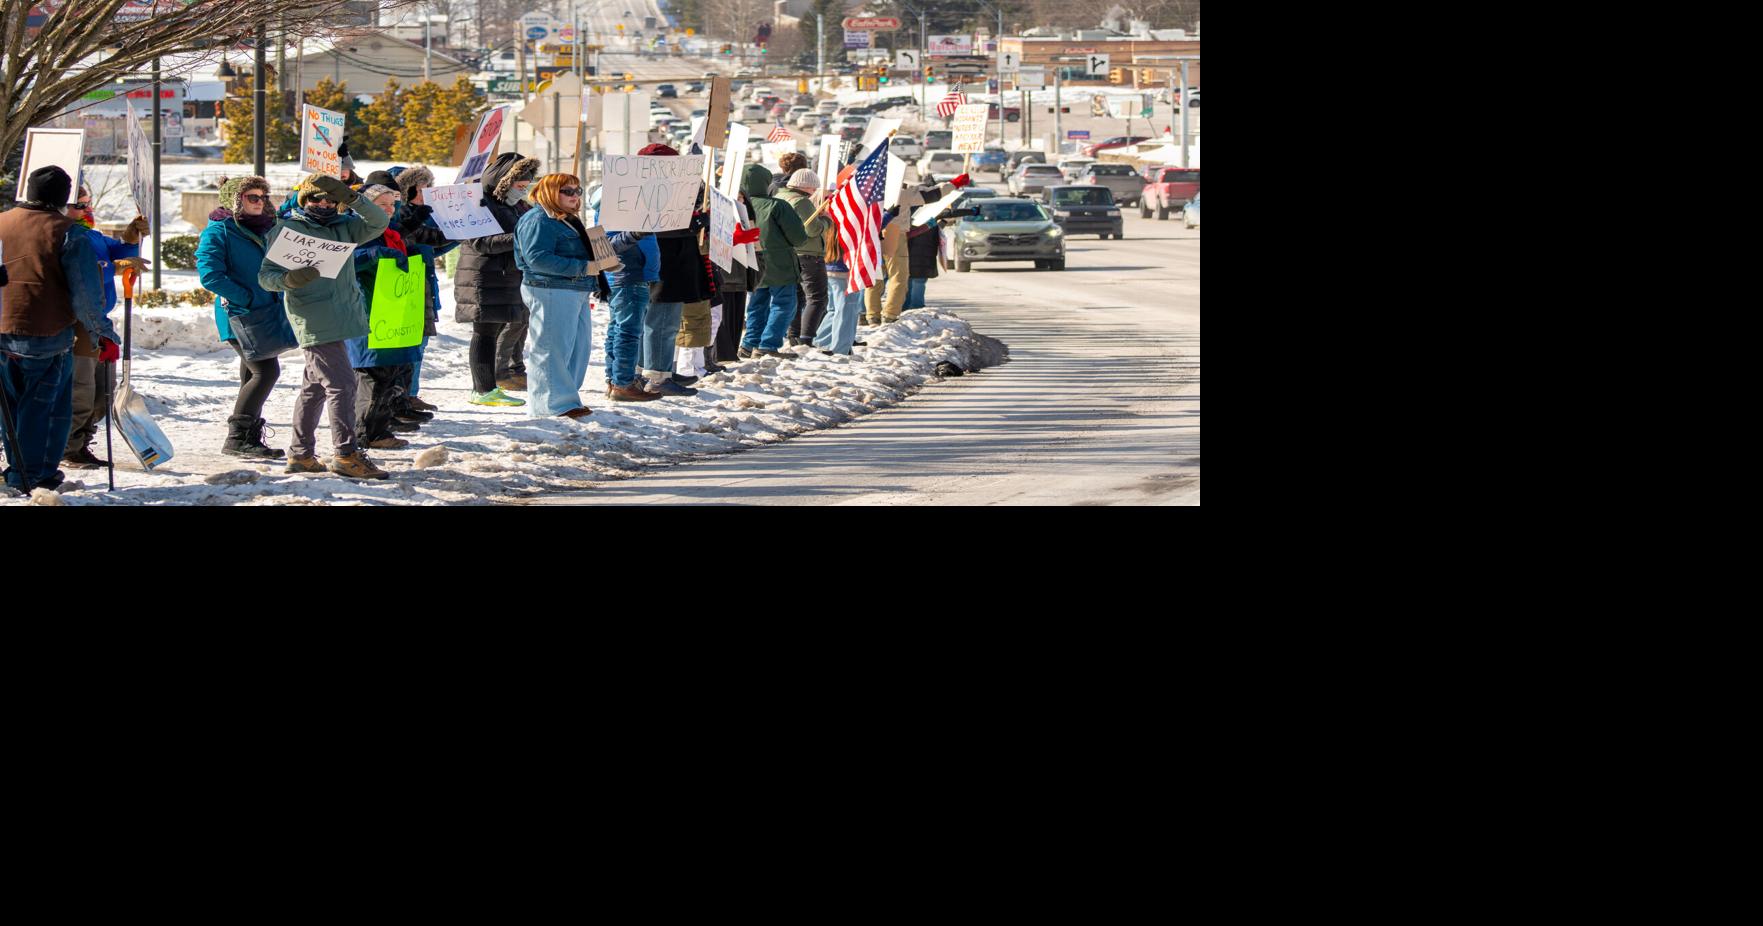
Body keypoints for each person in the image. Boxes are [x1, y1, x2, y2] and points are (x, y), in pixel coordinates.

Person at [258, 173, 392, 479]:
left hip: (342, 313)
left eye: (331, 199)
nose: (324, 203)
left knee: (315, 386)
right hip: (313, 317)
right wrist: (287, 279)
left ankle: (301, 454)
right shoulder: (288, 229)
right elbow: (266, 276)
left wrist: (354, 197)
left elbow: (378, 223)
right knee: (343, 384)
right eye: (317, 198)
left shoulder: (344, 226)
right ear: (305, 200)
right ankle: (346, 454)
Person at [0, 166, 114, 494]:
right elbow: (86, 294)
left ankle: (21, 467)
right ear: (63, 198)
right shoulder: (67, 232)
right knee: (45, 410)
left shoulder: (2, 222)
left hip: (3, 327)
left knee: (12, 407)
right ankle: (32, 475)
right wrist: (102, 333)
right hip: (46, 332)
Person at [196, 175, 288, 459]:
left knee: (251, 373)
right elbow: (210, 275)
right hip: (239, 313)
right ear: (235, 200)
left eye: (262, 197)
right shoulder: (219, 231)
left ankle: (248, 437)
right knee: (266, 371)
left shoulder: (266, 228)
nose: (260, 203)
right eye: (252, 197)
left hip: (265, 310)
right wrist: (245, 297)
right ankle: (238, 437)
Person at [59, 185, 146, 469]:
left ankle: (83, 439)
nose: (86, 210)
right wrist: (114, 266)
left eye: (88, 204)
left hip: (99, 322)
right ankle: (69, 446)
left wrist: (131, 236)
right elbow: (84, 272)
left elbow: (117, 250)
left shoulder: (91, 234)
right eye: (79, 205)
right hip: (78, 322)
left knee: (102, 390)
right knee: (81, 388)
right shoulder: (64, 235)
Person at [344, 184, 424, 450]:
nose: (390, 209)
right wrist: (375, 254)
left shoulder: (389, 232)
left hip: (390, 310)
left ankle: (380, 427)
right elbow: (346, 261)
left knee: (389, 373)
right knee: (373, 374)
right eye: (382, 205)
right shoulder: (356, 229)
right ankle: (367, 432)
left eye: (392, 204)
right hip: (367, 310)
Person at [455, 153, 537, 406]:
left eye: (525, 187)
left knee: (494, 330)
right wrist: (522, 237)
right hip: (482, 276)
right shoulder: (481, 202)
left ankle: (488, 386)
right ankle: (483, 390)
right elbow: (481, 242)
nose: (521, 191)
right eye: (519, 186)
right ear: (504, 181)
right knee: (484, 332)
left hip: (502, 276)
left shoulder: (510, 205)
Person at [513, 173, 596, 418]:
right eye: (567, 191)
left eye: (577, 191)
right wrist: (583, 267)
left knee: (576, 347)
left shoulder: (564, 219)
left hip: (573, 288)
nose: (574, 196)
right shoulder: (539, 219)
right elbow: (537, 258)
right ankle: (551, 405)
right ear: (550, 192)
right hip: (551, 287)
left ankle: (566, 398)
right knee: (552, 347)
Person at [635, 144, 709, 397]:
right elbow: (659, 227)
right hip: (665, 265)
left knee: (654, 321)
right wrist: (691, 225)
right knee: (662, 322)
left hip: (670, 263)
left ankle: (651, 370)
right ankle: (657, 375)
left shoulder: (653, 189)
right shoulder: (648, 191)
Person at [866, 171, 971, 325]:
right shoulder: (901, 194)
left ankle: (871, 315)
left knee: (874, 277)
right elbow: (932, 194)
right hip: (895, 233)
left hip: (870, 235)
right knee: (899, 276)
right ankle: (890, 314)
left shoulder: (867, 192)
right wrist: (955, 183)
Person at [589, 187, 662, 402]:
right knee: (627, 332)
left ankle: (615, 379)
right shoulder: (611, 212)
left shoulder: (623, 212)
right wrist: (634, 234)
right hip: (627, 278)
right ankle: (623, 383)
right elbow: (605, 247)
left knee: (618, 330)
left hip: (629, 277)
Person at [736, 163, 809, 359]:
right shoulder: (777, 205)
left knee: (757, 305)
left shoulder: (737, 205)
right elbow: (799, 238)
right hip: (780, 265)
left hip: (752, 261)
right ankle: (768, 344)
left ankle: (749, 344)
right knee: (784, 304)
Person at [776, 169, 832, 349]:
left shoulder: (781, 197)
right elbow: (813, 230)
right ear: (806, 186)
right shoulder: (802, 202)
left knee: (797, 297)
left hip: (788, 253)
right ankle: (806, 339)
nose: (815, 191)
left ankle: (793, 336)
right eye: (814, 188)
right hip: (808, 254)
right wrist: (826, 221)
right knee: (817, 298)